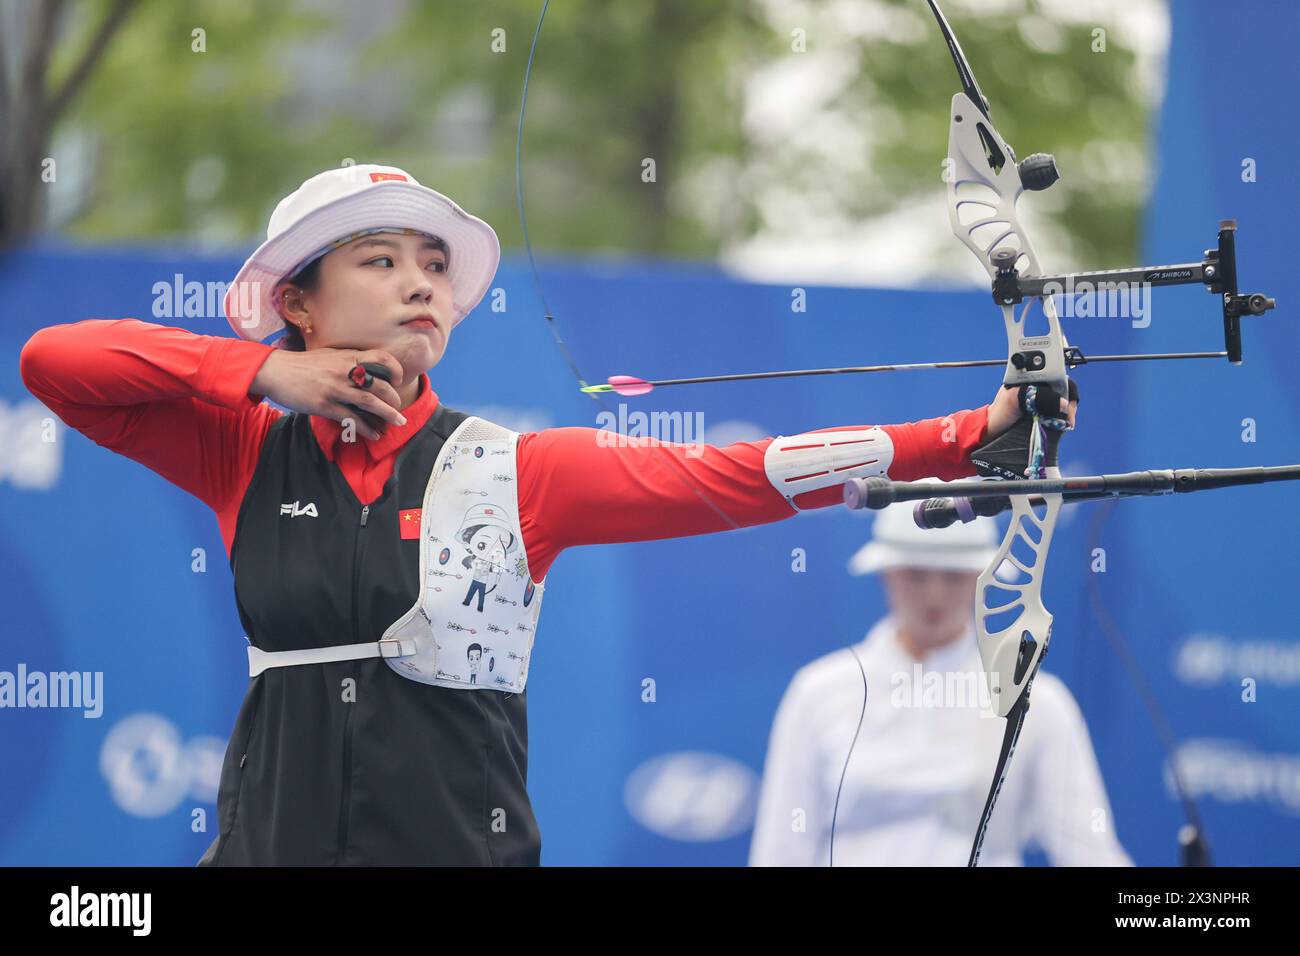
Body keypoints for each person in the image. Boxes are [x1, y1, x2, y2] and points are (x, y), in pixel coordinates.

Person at [18, 163, 1064, 866]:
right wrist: (268, 377)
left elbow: (743, 472)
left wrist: (972, 428)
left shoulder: (517, 469)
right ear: (299, 299)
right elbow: (53, 363)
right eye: (378, 261)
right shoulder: (241, 444)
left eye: (434, 264)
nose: (420, 284)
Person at [749, 496, 1133, 866]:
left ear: (982, 578)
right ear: (886, 574)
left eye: (952, 576)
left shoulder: (1035, 701)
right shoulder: (818, 692)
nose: (934, 594)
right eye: (916, 574)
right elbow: (782, 849)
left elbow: (1089, 852)